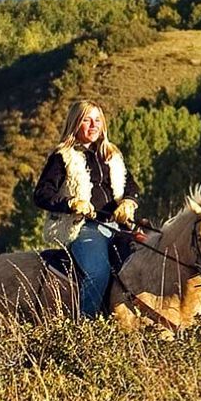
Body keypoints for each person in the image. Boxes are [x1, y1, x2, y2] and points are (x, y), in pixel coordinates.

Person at [32, 99, 136, 318]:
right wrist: (71, 204)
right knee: (98, 273)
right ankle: (87, 326)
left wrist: (128, 202)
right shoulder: (62, 156)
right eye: (87, 120)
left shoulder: (112, 155)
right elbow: (41, 194)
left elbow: (131, 186)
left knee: (149, 262)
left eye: (97, 120)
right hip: (83, 227)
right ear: (75, 123)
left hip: (119, 227)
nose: (93, 125)